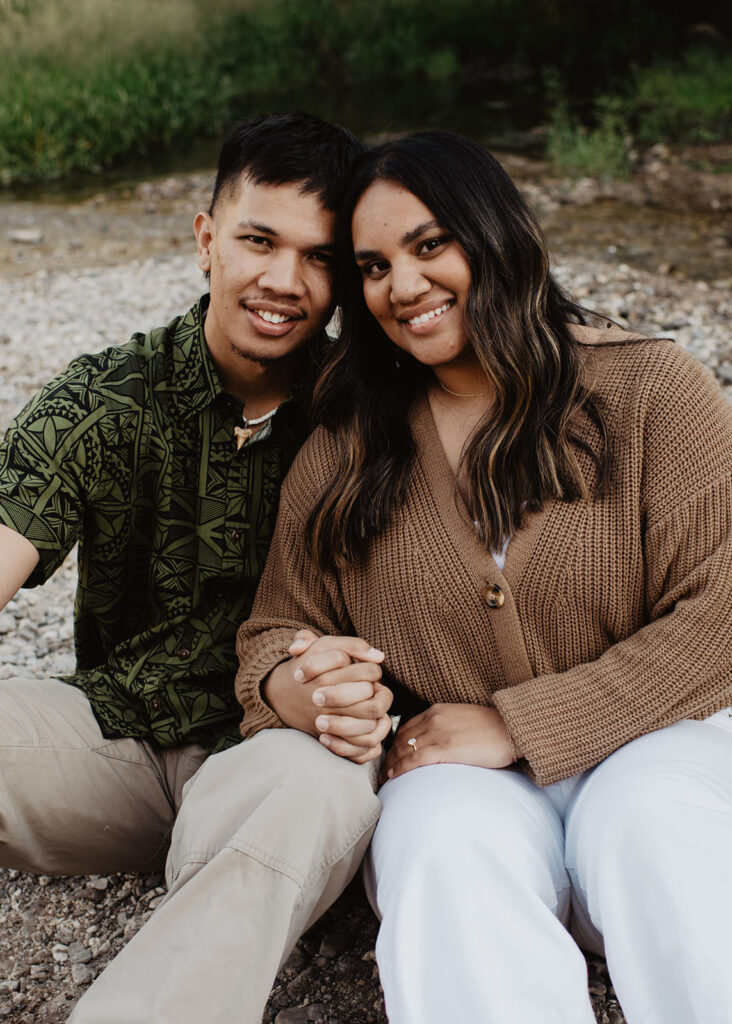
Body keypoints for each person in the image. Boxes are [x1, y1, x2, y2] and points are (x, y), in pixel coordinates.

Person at [236, 131, 732, 1024]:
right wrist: (307, 689)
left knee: (650, 819)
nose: (405, 286)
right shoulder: (348, 448)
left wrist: (519, 721)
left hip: (664, 745)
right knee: (435, 838)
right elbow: (276, 626)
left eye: (431, 245)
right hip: (469, 781)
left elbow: (724, 610)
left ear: (497, 233)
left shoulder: (651, 388)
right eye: (374, 266)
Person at [0, 112, 392, 1023]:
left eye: (318, 256)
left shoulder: (374, 417)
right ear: (207, 239)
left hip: (285, 758)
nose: (282, 281)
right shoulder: (104, 397)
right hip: (117, 745)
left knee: (315, 785)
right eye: (258, 240)